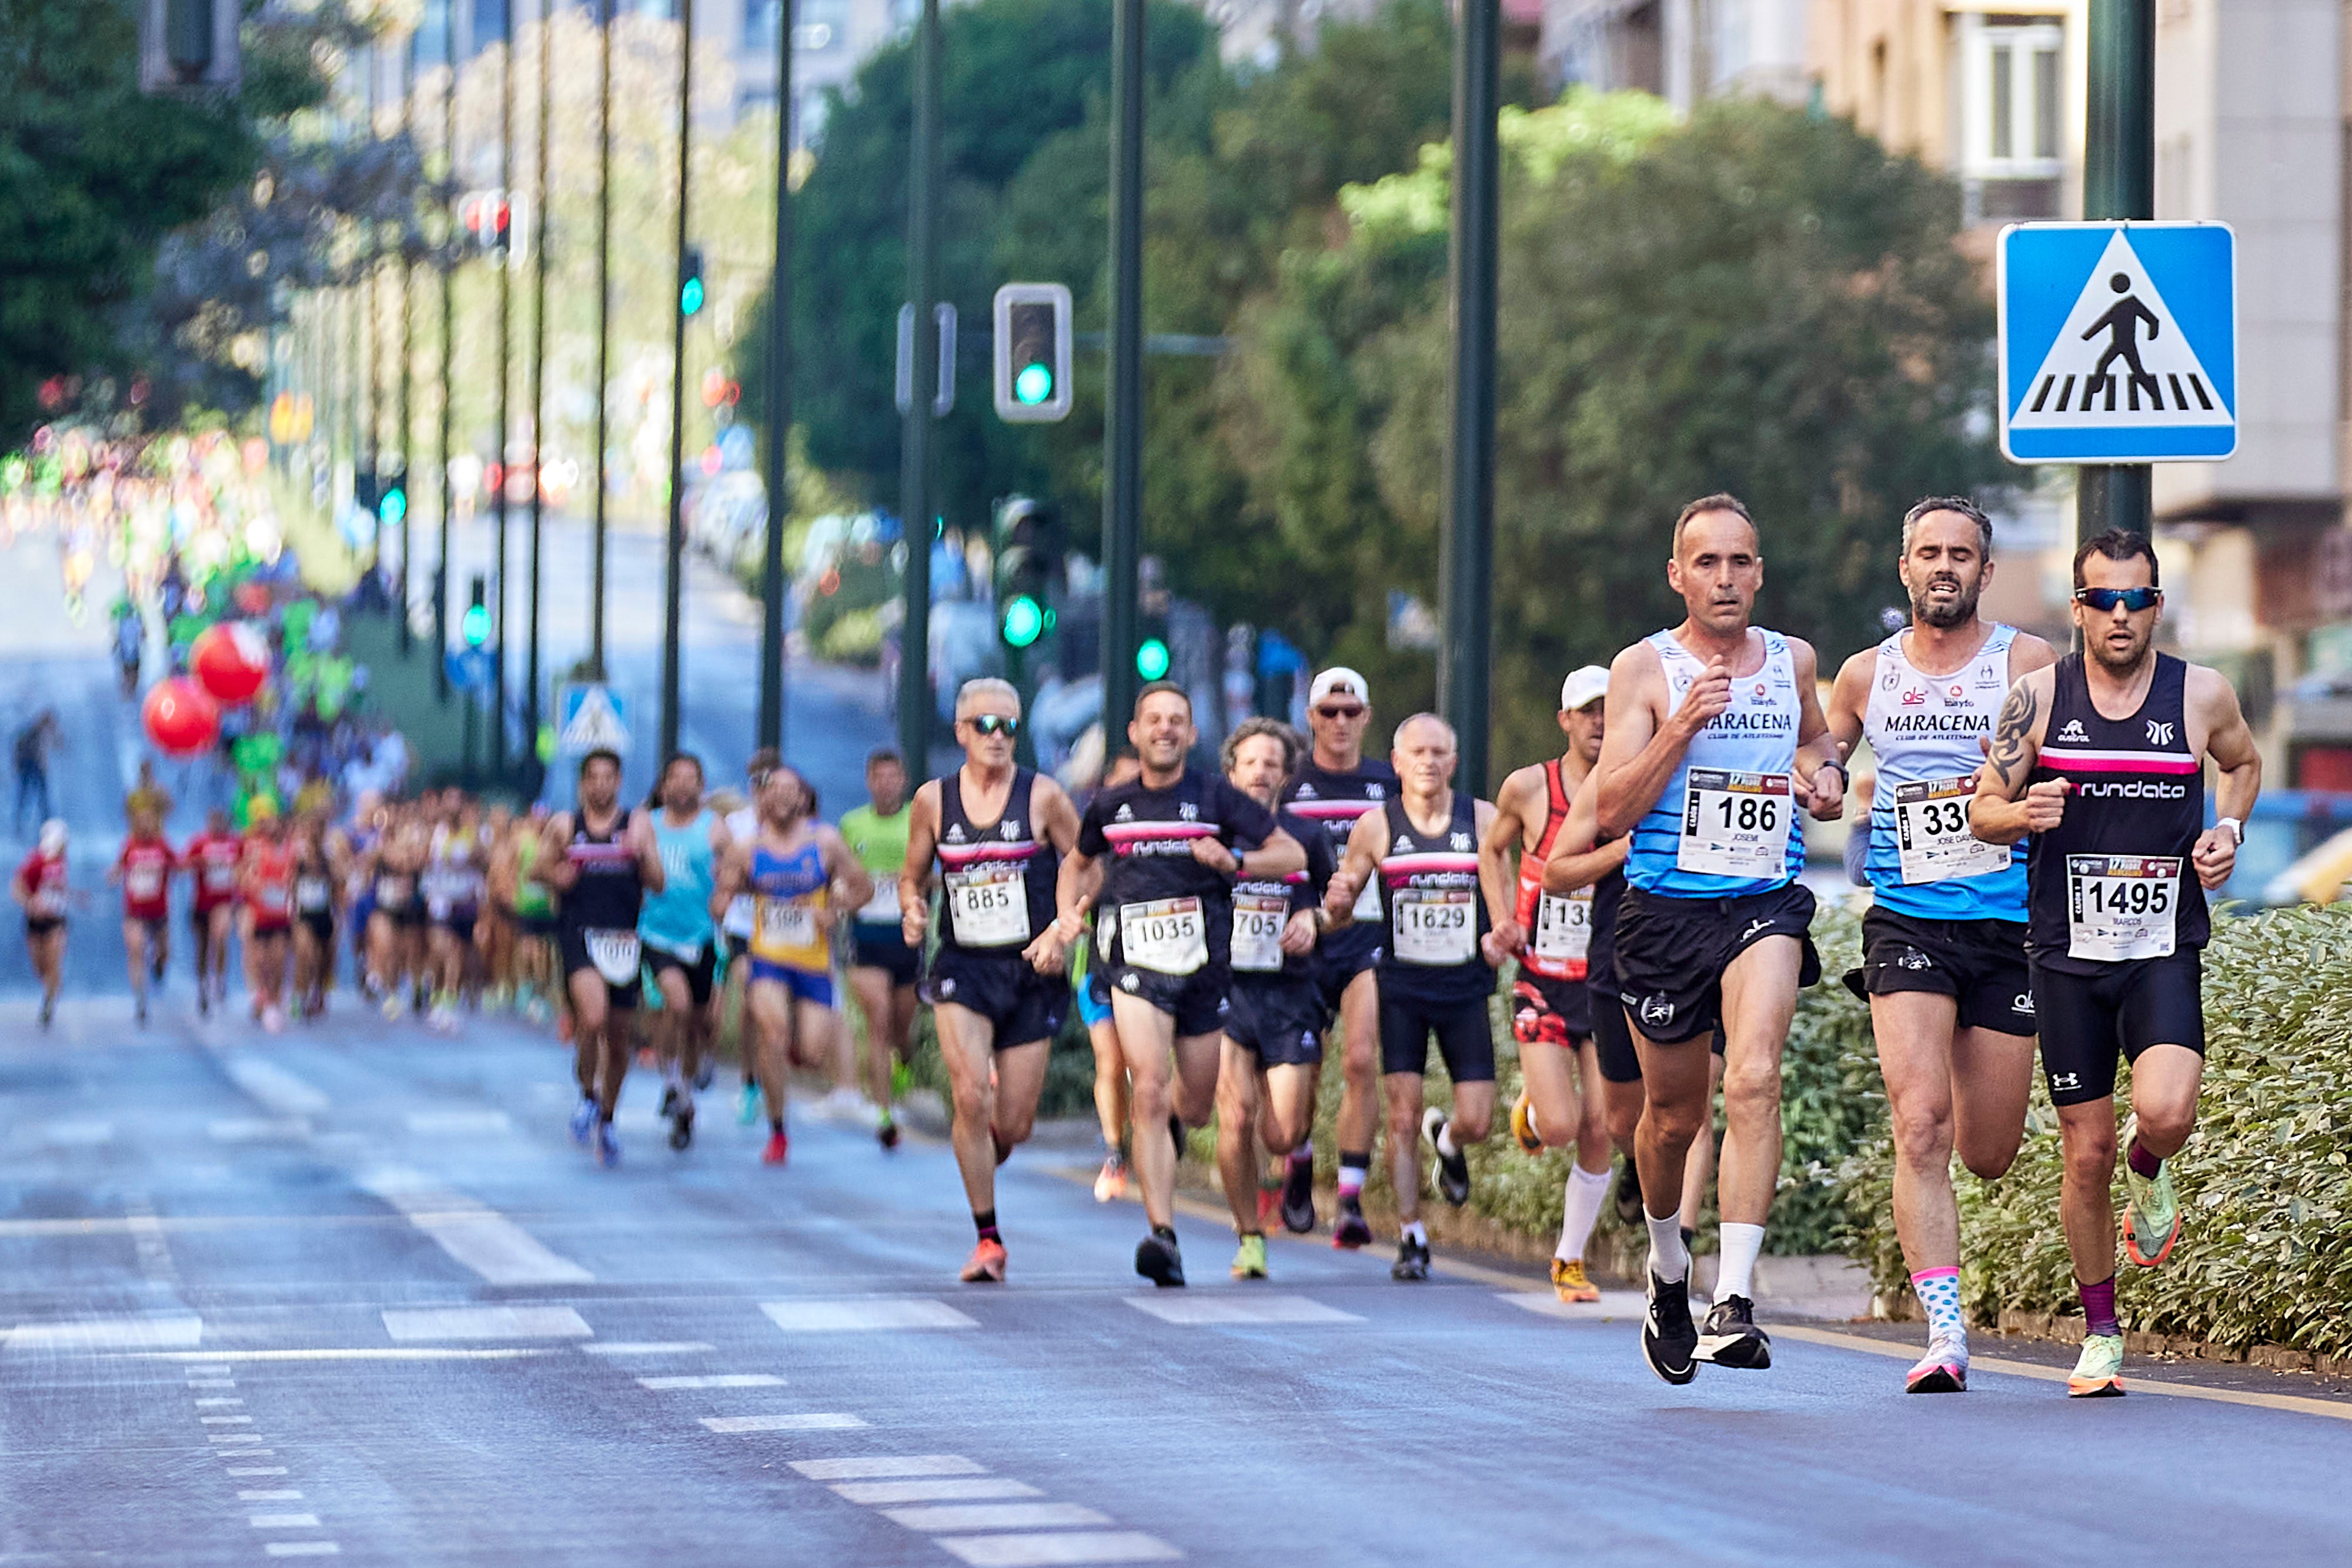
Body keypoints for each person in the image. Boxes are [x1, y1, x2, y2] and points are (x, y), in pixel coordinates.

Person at [1970, 527, 2259, 1399]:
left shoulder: (2201, 693)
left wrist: (2228, 830)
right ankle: (2101, 1331)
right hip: (2066, 956)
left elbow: (2241, 765)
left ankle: (2153, 1167)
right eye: (2104, 599)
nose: (2121, 614)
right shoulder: (2037, 698)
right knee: (2084, 1149)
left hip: (2163, 944)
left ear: (2157, 605)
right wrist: (2026, 813)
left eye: (2137, 598)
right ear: (2078, 608)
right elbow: (1982, 808)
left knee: (2164, 1111)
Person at [1593, 493, 1845, 1383]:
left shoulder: (1792, 659)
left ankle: (1732, 1297)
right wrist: (1680, 726)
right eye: (1708, 563)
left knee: (1755, 1072)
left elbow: (1817, 740)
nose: (1726, 578)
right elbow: (1608, 809)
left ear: (1760, 571)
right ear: (1678, 575)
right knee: (1671, 1120)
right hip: (1664, 912)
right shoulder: (1644, 668)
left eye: (1741, 561)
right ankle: (1669, 1269)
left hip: (1762, 900)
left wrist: (1826, 775)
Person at [1824, 497, 2056, 1393]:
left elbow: (2068, 757)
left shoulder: (2027, 662)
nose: (1946, 566)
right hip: (1908, 915)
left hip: (2007, 922)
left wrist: (2010, 788)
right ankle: (1945, 1330)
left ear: (1987, 572)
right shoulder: (1863, 674)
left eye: (1962, 553)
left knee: (1988, 1148)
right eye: (1930, 552)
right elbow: (1826, 759)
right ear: (1905, 568)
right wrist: (1820, 780)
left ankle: (1949, 1295)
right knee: (1919, 1119)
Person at [1035, 681, 1304, 1288]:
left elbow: (1286, 853)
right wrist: (1067, 916)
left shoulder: (1215, 796)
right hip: (1135, 965)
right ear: (1134, 732)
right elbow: (1078, 861)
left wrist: (1233, 863)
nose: (1164, 728)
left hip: (1204, 968)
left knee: (1197, 1103)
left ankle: (1172, 1134)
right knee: (1150, 1090)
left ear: (1190, 734)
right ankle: (1163, 1235)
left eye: (1176, 720)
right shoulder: (1111, 803)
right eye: (1153, 718)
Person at [901, 680, 1083, 1283]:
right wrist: (911, 908)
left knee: (1014, 1124)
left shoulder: (1045, 796)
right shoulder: (933, 801)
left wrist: (1062, 928)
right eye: (985, 726)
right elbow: (911, 875)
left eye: (1009, 726)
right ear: (960, 732)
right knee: (970, 1096)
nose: (999, 737)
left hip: (1032, 968)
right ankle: (988, 1240)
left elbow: (1088, 864)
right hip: (963, 966)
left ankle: (985, 1142)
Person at [1324, 714, 1514, 1282]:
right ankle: (1412, 1235)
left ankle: (1449, 1136)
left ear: (1453, 762)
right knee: (1402, 1115)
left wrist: (1499, 930)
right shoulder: (1376, 826)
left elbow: (1504, 893)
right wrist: (1334, 901)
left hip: (1464, 988)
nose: (1429, 761)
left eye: (1439, 752)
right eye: (1417, 752)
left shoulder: (1482, 820)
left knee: (1479, 1119)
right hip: (1402, 987)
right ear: (1398, 761)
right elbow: (1342, 905)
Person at [1485, 666, 1619, 1303]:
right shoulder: (1528, 787)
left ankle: (1569, 1258)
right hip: (1542, 974)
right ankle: (1534, 1110)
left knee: (1603, 1124)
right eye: (1587, 711)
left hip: (1604, 977)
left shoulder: (1635, 784)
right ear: (1565, 719)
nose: (1599, 722)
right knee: (1561, 1127)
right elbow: (1493, 849)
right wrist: (1503, 919)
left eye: (1609, 710)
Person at [1279, 667, 1397, 1248]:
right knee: (1304, 1070)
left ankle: (1349, 1196)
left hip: (1365, 938)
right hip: (1301, 942)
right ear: (1311, 718)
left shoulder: (1387, 783)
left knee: (1358, 1059)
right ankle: (1297, 1158)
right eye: (1329, 712)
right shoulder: (1289, 785)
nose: (1341, 722)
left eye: (1352, 711)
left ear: (1367, 716)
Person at [1212, 719, 1334, 1279]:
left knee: (1282, 1131)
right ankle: (1249, 1235)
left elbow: (1339, 907)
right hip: (1226, 990)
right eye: (1251, 761)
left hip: (1290, 991)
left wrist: (1312, 916)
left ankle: (1298, 1155)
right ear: (1232, 770)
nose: (1260, 772)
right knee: (1234, 1117)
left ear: (1286, 775)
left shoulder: (1306, 837)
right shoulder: (1212, 834)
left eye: (1271, 763)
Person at [711, 764, 871, 1168]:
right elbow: (721, 897)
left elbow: (863, 888)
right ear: (763, 798)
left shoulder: (825, 842)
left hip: (813, 961)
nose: (782, 796)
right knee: (773, 1031)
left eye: (791, 790)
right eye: (774, 789)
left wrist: (834, 910)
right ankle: (778, 1129)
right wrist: (724, 899)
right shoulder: (749, 848)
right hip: (769, 957)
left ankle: (790, 1060)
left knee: (813, 1053)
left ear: (802, 798)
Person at [538, 750, 666, 1168]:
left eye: (608, 777)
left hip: (624, 940)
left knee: (619, 1039)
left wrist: (641, 855)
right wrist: (558, 876)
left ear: (619, 781)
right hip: (579, 934)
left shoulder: (638, 823)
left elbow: (659, 881)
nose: (601, 785)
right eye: (593, 777)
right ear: (582, 784)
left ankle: (607, 1117)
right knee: (591, 1018)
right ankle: (588, 1096)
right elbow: (537, 869)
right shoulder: (565, 825)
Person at [639, 753, 731, 1151]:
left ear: (700, 785)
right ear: (663, 786)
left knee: (697, 1023)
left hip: (701, 936)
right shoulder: (649, 825)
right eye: (674, 777)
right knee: (674, 1006)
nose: (681, 785)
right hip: (657, 934)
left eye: (690, 778)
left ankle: (684, 1092)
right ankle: (674, 1080)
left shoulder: (714, 828)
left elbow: (733, 869)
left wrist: (724, 894)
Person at [840, 748, 920, 1148]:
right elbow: (836, 873)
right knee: (880, 1017)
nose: (886, 784)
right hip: (866, 935)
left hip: (906, 936)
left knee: (902, 1029)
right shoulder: (852, 825)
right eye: (879, 777)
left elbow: (935, 873)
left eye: (893, 777)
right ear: (870, 781)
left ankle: (902, 1067)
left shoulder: (918, 821)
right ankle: (884, 1110)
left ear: (903, 781)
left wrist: (910, 884)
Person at [114, 804, 178, 1025]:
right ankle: (140, 997)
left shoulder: (163, 845)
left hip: (159, 911)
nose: (146, 826)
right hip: (135, 911)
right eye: (142, 822)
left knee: (164, 952)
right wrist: (114, 876)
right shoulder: (129, 846)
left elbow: (176, 866)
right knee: (136, 950)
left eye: (150, 822)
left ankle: (159, 966)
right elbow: (118, 868)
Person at [238, 801, 296, 1031]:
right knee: (260, 960)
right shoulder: (255, 846)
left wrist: (291, 884)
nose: (271, 829)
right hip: (260, 913)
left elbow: (300, 875)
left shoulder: (293, 849)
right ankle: (259, 994)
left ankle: (274, 1003)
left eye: (275, 824)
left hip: (282, 914)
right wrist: (252, 884)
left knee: (279, 960)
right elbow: (242, 873)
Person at [184, 807, 246, 1018]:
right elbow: (183, 865)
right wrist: (202, 862)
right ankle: (203, 985)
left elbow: (247, 865)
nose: (218, 824)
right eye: (214, 821)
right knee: (202, 947)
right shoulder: (199, 842)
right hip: (202, 903)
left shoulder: (236, 843)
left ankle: (219, 979)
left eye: (221, 820)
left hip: (225, 901)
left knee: (220, 937)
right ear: (208, 822)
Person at [14, 819, 72, 1025]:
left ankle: (49, 1002)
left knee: (53, 963)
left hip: (56, 921)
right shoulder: (36, 861)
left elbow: (55, 887)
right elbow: (17, 887)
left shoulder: (62, 860)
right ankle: (51, 986)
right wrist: (30, 903)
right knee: (40, 968)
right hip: (35, 922)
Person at [290, 811, 346, 1019]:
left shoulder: (331, 856)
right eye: (311, 831)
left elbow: (341, 883)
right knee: (305, 955)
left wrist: (341, 913)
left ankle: (318, 993)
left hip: (326, 913)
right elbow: (289, 882)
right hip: (303, 915)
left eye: (319, 831)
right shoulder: (297, 857)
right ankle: (299, 998)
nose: (315, 835)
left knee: (324, 959)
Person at [13, 710, 60, 836]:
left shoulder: (33, 732)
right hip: (34, 768)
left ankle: (24, 826)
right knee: (38, 799)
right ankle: (43, 826)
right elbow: (55, 746)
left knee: (29, 798)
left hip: (30, 768)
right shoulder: (37, 733)